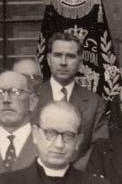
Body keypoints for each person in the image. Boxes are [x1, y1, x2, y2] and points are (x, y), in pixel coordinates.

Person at [37, 31, 108, 168]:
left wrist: (72, 174)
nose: (63, 62)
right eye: (58, 55)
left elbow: (99, 147)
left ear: (80, 62)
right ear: (48, 59)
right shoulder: (32, 96)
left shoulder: (95, 103)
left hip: (78, 179)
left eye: (70, 56)